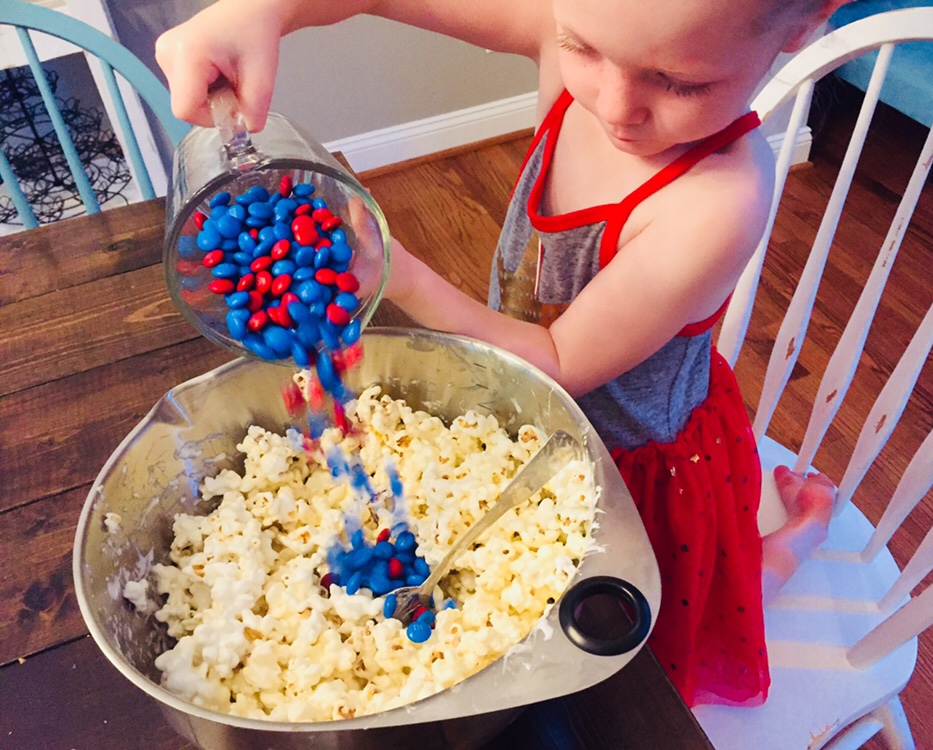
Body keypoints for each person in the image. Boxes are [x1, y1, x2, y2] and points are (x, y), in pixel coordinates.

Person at [156, 0, 843, 707]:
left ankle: (802, 531)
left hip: (635, 470)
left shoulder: (717, 201)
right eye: (583, 46)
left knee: (687, 623)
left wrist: (397, 268)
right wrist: (262, 11)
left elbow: (558, 361)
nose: (615, 104)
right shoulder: (567, 41)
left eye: (680, 83)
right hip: (520, 430)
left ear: (803, 24)